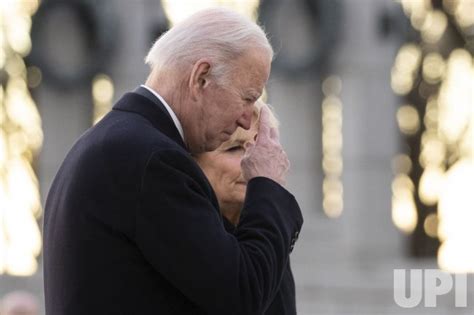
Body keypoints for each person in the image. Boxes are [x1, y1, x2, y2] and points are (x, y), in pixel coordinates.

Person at [43, 7, 303, 315]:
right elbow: (242, 295)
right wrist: (268, 184)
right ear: (201, 78)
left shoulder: (115, 142)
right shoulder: (153, 160)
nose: (247, 120)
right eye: (247, 97)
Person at [194, 100, 297, 315]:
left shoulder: (268, 231)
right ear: (192, 163)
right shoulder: (187, 238)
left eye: (260, 147)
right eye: (234, 148)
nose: (253, 159)